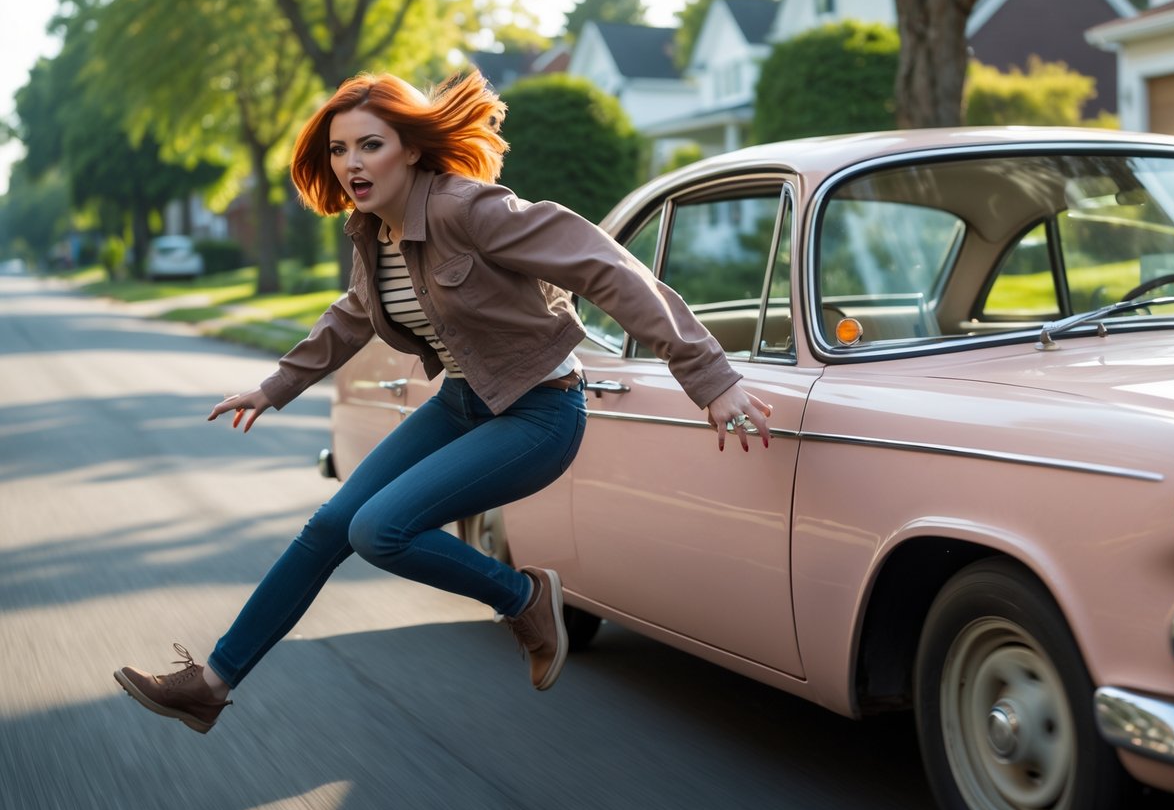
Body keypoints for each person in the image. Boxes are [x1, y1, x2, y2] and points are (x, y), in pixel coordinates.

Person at [114, 70, 772, 734]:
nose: (350, 164)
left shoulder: (471, 210)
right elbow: (353, 314)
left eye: (369, 145)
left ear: (411, 149)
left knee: (379, 530)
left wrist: (709, 378)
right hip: (462, 403)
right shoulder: (371, 232)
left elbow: (605, 267)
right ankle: (211, 685)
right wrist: (276, 386)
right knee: (330, 526)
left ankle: (523, 597)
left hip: (540, 412)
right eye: (339, 150)